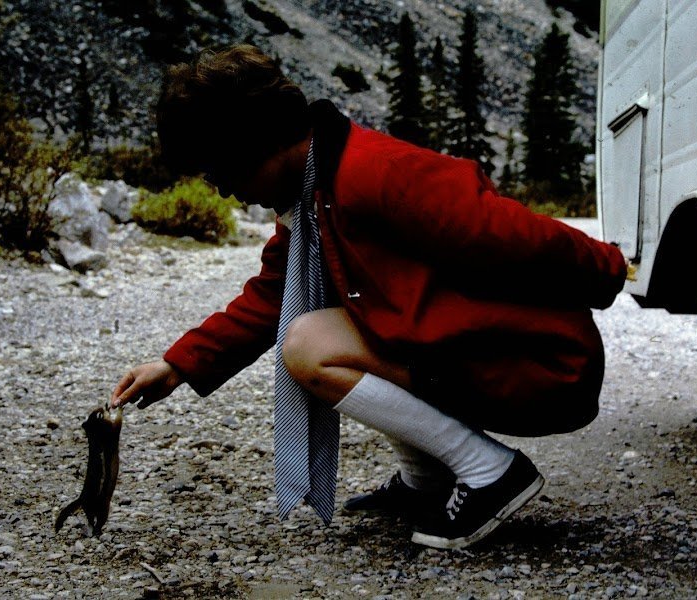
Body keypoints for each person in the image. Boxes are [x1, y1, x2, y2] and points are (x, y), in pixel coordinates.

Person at [111, 44, 627, 549]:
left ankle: (490, 472)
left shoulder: (374, 172)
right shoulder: (314, 193)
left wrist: (609, 268)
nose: (223, 190)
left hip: (535, 366)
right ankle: (427, 479)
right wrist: (175, 365)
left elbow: (511, 233)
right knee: (320, 331)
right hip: (465, 357)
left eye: (222, 171)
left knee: (310, 345)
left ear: (258, 140)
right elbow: (270, 296)